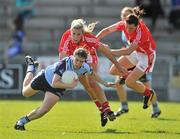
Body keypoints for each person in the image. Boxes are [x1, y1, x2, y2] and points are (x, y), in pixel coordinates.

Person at [14, 48, 115, 131]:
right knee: (25, 93)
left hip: (57, 87)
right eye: (77, 60)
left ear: (84, 61)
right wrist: (71, 86)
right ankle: (31, 67)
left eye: (81, 61)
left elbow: (93, 75)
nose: (78, 63)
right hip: (45, 78)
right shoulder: (64, 63)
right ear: (73, 57)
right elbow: (54, 82)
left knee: (44, 110)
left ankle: (22, 122)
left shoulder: (85, 67)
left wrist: (105, 84)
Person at [58, 19, 127, 127]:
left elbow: (105, 51)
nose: (76, 37)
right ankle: (102, 111)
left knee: (92, 81)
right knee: (87, 86)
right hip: (74, 58)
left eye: (78, 34)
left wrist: (118, 65)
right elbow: (62, 59)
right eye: (74, 34)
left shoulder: (89, 38)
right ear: (70, 32)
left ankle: (107, 109)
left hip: (89, 55)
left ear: (83, 33)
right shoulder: (66, 38)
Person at [97, 7, 161, 118]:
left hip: (146, 57)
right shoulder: (124, 24)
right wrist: (95, 40)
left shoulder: (141, 33)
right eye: (127, 28)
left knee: (130, 83)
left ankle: (148, 94)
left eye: (131, 28)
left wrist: (108, 51)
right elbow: (107, 30)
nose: (128, 30)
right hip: (136, 52)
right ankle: (127, 77)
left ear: (137, 26)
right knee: (113, 70)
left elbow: (128, 51)